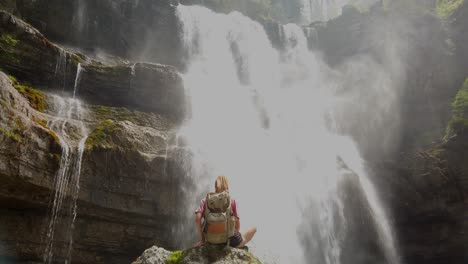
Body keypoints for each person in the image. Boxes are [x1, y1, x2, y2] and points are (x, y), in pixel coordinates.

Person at [195, 175, 257, 248]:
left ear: (215, 186)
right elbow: (237, 223)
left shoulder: (205, 200)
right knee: (254, 228)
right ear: (227, 185)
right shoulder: (232, 201)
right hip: (228, 239)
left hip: (210, 239)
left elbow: (197, 219)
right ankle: (235, 245)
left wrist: (202, 240)